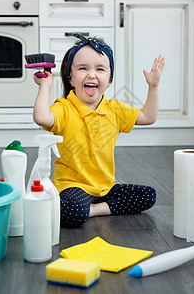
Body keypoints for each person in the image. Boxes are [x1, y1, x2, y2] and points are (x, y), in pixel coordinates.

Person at [32, 33, 165, 227]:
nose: (91, 74)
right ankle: (94, 209)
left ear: (109, 79)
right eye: (83, 68)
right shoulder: (64, 108)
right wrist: (45, 85)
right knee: (70, 210)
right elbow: (41, 117)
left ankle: (94, 210)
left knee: (148, 195)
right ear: (70, 77)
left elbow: (148, 117)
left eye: (100, 69)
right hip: (73, 186)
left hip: (105, 188)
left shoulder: (115, 109)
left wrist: (153, 87)